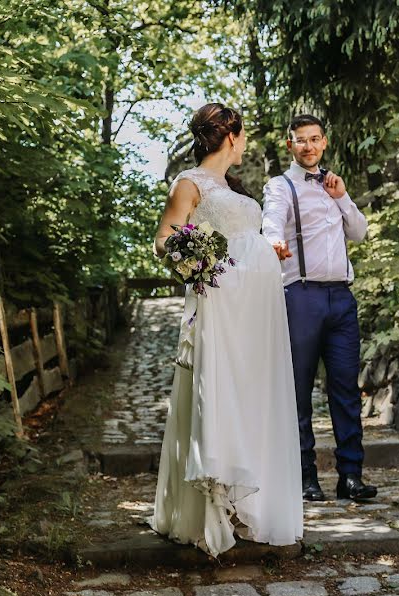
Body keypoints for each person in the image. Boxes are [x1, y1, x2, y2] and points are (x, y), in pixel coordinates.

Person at [149, 103, 303, 557]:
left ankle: (248, 505)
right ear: (230, 135)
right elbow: (163, 239)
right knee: (221, 391)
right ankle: (213, 507)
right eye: (243, 134)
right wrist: (195, 256)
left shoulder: (231, 187)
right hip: (220, 304)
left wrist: (265, 247)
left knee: (254, 393)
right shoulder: (189, 183)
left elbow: (241, 238)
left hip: (255, 307)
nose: (246, 142)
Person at [261, 114, 377, 502]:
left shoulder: (334, 185)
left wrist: (341, 196)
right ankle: (304, 476)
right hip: (302, 297)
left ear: (324, 142)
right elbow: (272, 220)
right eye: (300, 140)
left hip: (342, 298)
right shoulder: (281, 186)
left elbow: (359, 232)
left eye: (314, 139)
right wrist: (274, 242)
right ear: (289, 144)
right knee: (298, 391)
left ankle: (350, 476)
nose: (308, 147)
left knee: (345, 389)